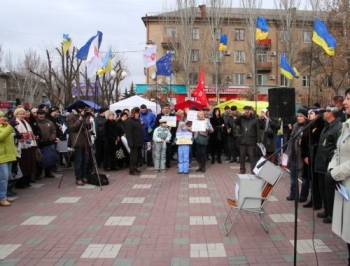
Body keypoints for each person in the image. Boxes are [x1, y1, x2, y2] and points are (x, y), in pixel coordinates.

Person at [327, 88, 350, 265]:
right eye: (346, 98)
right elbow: (338, 150)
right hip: (344, 185)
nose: (345, 103)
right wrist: (331, 169)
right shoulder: (346, 125)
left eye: (349, 99)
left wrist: (335, 173)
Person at [314, 106, 342, 223]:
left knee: (330, 192)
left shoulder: (338, 127)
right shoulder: (327, 126)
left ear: (331, 113)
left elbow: (338, 148)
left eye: (324, 112)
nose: (322, 114)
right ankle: (326, 210)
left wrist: (332, 164)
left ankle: (332, 214)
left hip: (329, 165)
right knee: (322, 189)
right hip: (321, 163)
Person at [301, 108, 324, 210]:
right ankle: (312, 199)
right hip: (308, 155)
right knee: (311, 180)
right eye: (308, 113)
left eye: (312, 113)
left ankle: (317, 201)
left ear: (317, 115)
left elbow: (316, 140)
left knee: (316, 181)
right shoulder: (308, 126)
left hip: (316, 156)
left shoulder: (319, 126)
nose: (309, 115)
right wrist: (305, 155)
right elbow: (304, 143)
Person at [285, 108, 309, 201]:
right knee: (293, 176)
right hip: (293, 154)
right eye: (298, 116)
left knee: (304, 178)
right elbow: (290, 141)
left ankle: (303, 196)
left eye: (301, 116)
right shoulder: (295, 126)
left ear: (305, 117)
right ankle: (293, 194)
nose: (299, 118)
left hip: (303, 155)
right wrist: (287, 152)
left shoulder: (308, 126)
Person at [66, 102, 91, 186]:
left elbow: (88, 128)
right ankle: (78, 178)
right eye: (81, 109)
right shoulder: (71, 116)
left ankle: (84, 176)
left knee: (85, 161)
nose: (82, 111)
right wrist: (80, 119)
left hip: (85, 141)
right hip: (77, 141)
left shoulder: (85, 115)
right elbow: (72, 128)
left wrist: (87, 121)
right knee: (78, 161)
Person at [13, 108, 38, 189]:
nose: (22, 115)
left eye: (23, 114)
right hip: (21, 146)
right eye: (20, 114)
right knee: (22, 164)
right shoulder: (16, 122)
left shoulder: (26, 122)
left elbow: (29, 132)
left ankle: (27, 180)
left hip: (29, 144)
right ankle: (21, 182)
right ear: (16, 115)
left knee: (29, 163)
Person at [234, 105, 260, 174]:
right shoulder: (241, 119)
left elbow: (258, 131)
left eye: (248, 110)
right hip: (242, 141)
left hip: (251, 141)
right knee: (242, 156)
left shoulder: (255, 119)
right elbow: (235, 121)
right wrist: (241, 115)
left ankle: (253, 170)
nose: (247, 111)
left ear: (251, 111)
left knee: (252, 157)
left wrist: (258, 141)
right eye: (245, 110)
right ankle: (242, 170)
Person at [0, 111, 17, 206]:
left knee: (6, 178)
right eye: (0, 117)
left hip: (9, 155)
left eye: (3, 116)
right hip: (1, 156)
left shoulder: (5, 126)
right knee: (3, 178)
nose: (2, 118)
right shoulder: (7, 127)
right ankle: (2, 198)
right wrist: (10, 127)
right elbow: (1, 137)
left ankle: (4, 196)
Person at [36, 109, 58, 178]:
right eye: (40, 114)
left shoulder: (49, 122)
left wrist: (51, 139)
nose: (41, 116)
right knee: (39, 159)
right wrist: (40, 140)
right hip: (39, 143)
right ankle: (38, 174)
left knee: (49, 158)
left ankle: (48, 172)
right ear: (37, 115)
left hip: (49, 142)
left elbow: (53, 131)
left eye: (43, 114)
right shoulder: (35, 122)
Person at [155, 104, 176, 168]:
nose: (166, 109)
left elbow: (175, 126)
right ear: (163, 108)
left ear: (169, 109)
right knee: (161, 150)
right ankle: (161, 164)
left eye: (167, 108)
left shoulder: (172, 116)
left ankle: (167, 163)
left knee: (169, 151)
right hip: (161, 136)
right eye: (165, 108)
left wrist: (171, 128)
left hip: (169, 136)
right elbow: (156, 125)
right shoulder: (159, 116)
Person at [125, 107, 143, 176]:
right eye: (136, 113)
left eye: (138, 113)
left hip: (139, 141)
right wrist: (130, 143)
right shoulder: (129, 121)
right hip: (133, 142)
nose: (137, 114)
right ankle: (132, 169)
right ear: (133, 113)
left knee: (137, 156)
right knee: (133, 157)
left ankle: (135, 168)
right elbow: (129, 133)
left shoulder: (137, 120)